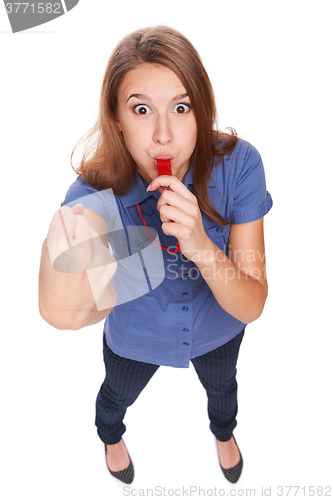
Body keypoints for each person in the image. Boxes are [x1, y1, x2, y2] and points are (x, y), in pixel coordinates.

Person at [38, 25, 273, 485]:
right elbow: (59, 313)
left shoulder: (241, 164)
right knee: (115, 395)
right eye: (142, 109)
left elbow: (254, 303)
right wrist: (65, 251)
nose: (163, 135)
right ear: (117, 118)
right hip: (134, 335)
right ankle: (110, 436)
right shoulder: (93, 197)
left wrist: (200, 245)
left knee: (223, 390)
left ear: (200, 111)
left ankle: (223, 434)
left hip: (219, 330)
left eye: (181, 108)